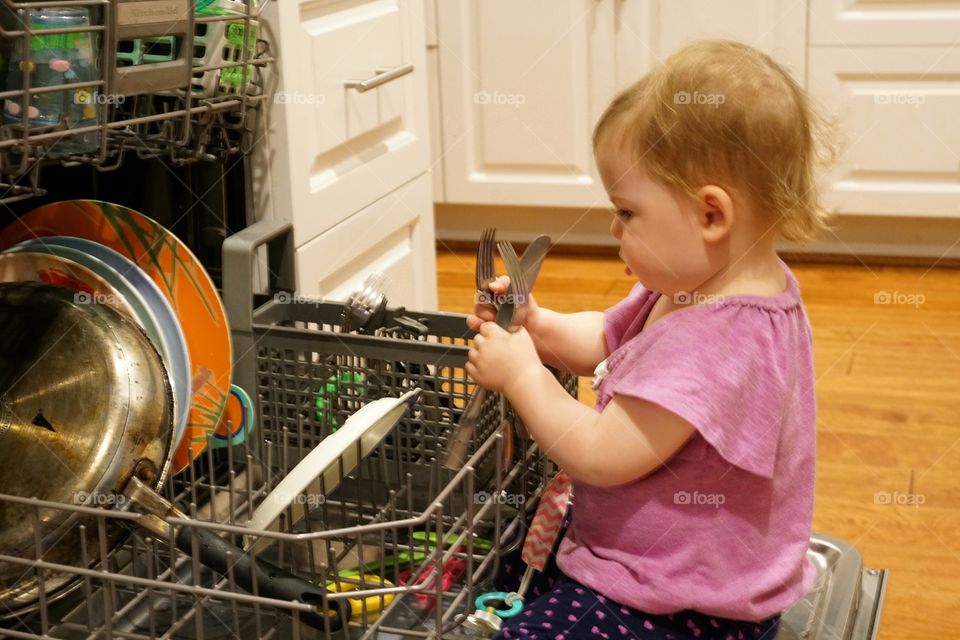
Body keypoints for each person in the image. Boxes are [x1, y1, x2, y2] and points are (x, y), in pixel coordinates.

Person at [465, 40, 834, 640]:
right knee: (509, 551)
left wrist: (523, 375)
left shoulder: (718, 342)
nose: (613, 228)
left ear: (711, 214)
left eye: (628, 212)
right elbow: (608, 335)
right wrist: (536, 323)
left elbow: (599, 454)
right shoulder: (697, 285)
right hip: (656, 569)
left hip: (681, 608)